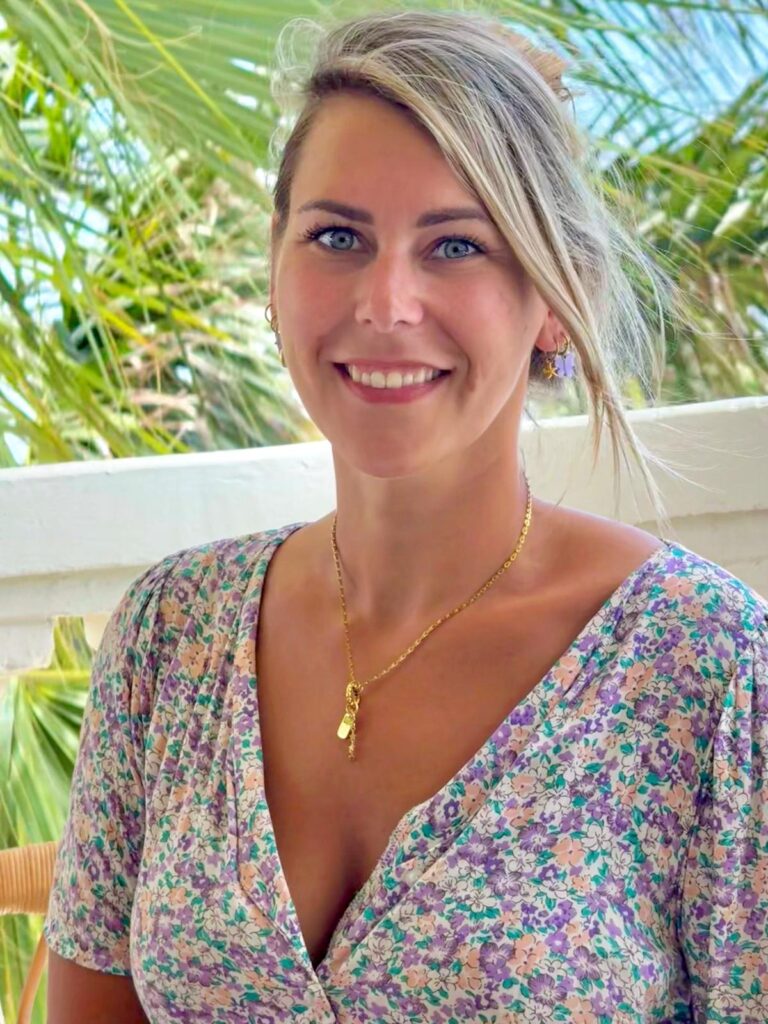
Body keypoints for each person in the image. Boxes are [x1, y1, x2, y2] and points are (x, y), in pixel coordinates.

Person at [45, 9, 768, 1023]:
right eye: (337, 237)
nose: (385, 302)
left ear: (553, 298)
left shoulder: (706, 664)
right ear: (276, 269)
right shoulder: (171, 634)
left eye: (456, 245)